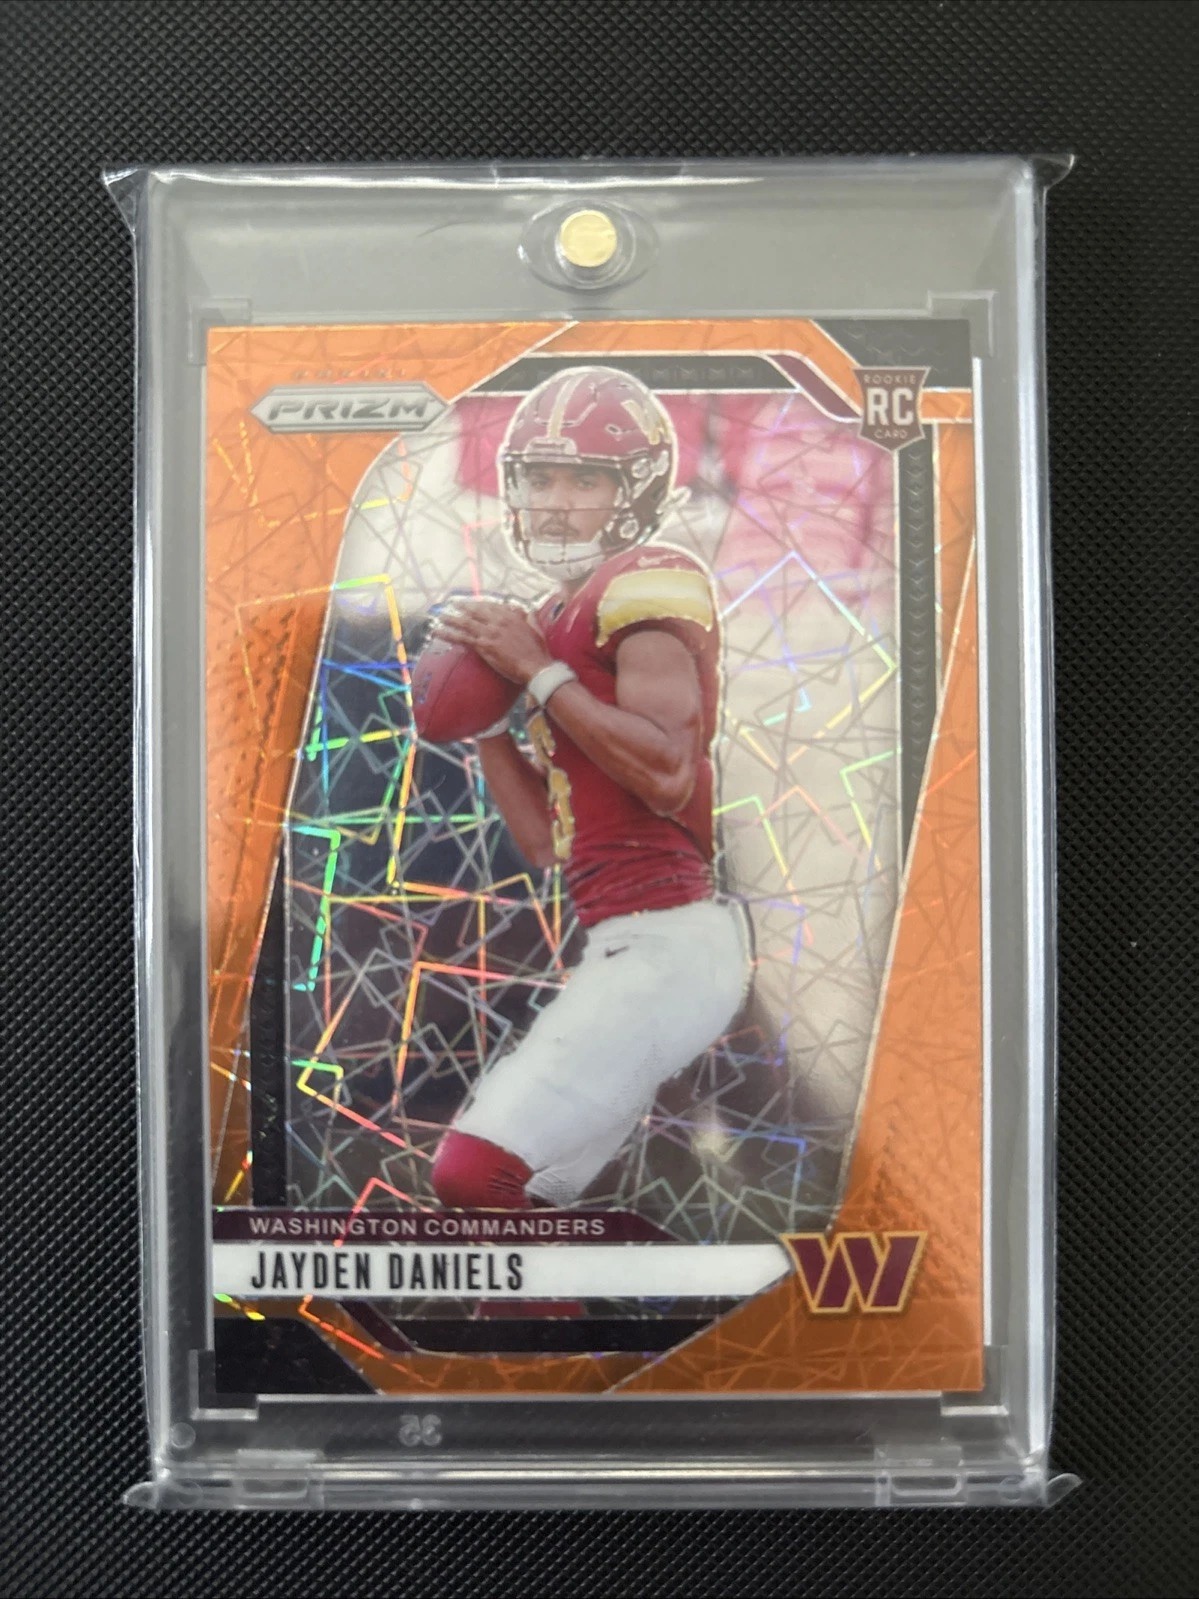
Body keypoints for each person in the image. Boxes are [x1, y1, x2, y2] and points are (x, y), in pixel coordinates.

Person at [429, 366, 750, 1209]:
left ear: (632, 492)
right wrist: (488, 720)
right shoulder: (551, 614)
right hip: (624, 939)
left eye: (583, 480)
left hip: (670, 943)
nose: (554, 502)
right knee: (531, 1197)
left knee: (471, 1173)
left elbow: (666, 773)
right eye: (538, 479)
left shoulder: (647, 578)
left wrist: (536, 671)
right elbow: (546, 844)